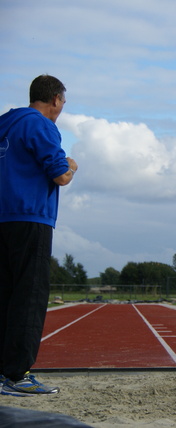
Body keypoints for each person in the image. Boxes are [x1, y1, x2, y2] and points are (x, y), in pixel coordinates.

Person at [0, 75, 77, 396]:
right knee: (29, 297)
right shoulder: (41, 124)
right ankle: (17, 374)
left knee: (5, 296)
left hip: (3, 217)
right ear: (56, 99)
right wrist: (72, 166)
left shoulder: (6, 122)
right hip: (30, 216)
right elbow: (59, 175)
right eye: (62, 103)